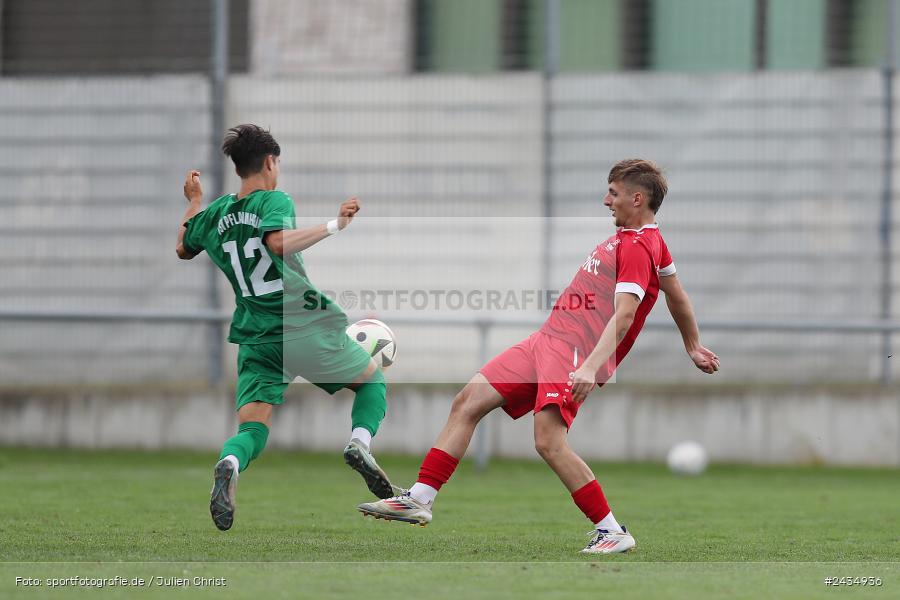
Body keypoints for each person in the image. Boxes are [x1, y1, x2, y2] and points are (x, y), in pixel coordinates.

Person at [357, 159, 719, 554]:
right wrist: (693, 344)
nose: (606, 200)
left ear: (637, 198)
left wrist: (589, 366)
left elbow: (626, 313)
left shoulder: (637, 246)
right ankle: (420, 499)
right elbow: (678, 294)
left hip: (572, 351)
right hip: (546, 339)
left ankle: (612, 531)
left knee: (548, 442)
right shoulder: (649, 240)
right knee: (468, 401)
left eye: (613, 193)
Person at [176, 124, 395, 531]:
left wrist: (194, 202)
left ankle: (229, 462)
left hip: (256, 337)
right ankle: (359, 444)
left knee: (253, 428)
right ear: (270, 162)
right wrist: (334, 225)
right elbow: (276, 243)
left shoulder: (216, 212)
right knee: (372, 381)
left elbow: (183, 246)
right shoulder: (273, 199)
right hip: (299, 325)